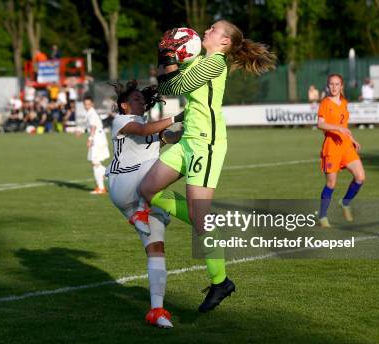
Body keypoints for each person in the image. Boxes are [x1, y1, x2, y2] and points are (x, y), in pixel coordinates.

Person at [137, 21, 276, 313]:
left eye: (213, 29)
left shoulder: (215, 63)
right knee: (148, 189)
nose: (206, 31)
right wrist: (167, 61)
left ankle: (221, 281)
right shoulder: (199, 58)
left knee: (200, 220)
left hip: (207, 144)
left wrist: (168, 62)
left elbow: (178, 86)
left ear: (224, 41)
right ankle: (205, 224)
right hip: (189, 139)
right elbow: (171, 87)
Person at [106, 80, 185, 328]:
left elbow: (166, 138)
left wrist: (191, 131)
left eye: (142, 99)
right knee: (169, 165)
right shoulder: (122, 120)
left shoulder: (149, 126)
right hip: (125, 183)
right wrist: (177, 116)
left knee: (157, 248)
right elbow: (143, 131)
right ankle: (140, 211)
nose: (141, 101)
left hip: (142, 192)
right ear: (124, 104)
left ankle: (157, 310)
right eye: (136, 99)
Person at [316, 74, 365, 228]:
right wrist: (337, 127)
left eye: (337, 84)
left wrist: (352, 139)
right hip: (332, 147)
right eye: (331, 84)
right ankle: (322, 216)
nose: (334, 87)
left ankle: (345, 203)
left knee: (360, 177)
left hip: (346, 147)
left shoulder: (344, 103)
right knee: (331, 184)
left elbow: (344, 127)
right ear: (328, 86)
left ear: (341, 86)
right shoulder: (325, 103)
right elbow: (320, 124)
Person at [84, 96, 110, 194]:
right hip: (99, 137)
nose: (86, 106)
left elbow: (93, 126)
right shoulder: (90, 112)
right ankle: (101, 187)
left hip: (97, 138)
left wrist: (90, 139)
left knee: (95, 163)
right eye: (85, 104)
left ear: (92, 104)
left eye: (88, 104)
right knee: (96, 163)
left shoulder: (92, 113)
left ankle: (111, 176)